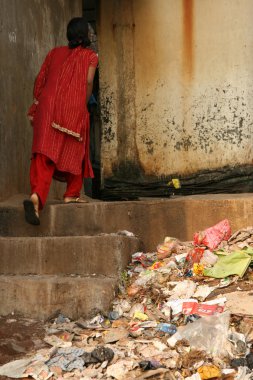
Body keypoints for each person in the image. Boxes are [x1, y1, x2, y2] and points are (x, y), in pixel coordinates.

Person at [23, 17, 98, 225]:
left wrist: (37, 103)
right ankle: (71, 193)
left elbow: (41, 79)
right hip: (71, 107)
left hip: (46, 108)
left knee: (44, 155)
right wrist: (81, 103)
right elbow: (89, 80)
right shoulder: (91, 57)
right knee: (75, 148)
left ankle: (36, 198)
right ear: (85, 35)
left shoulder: (54, 53)